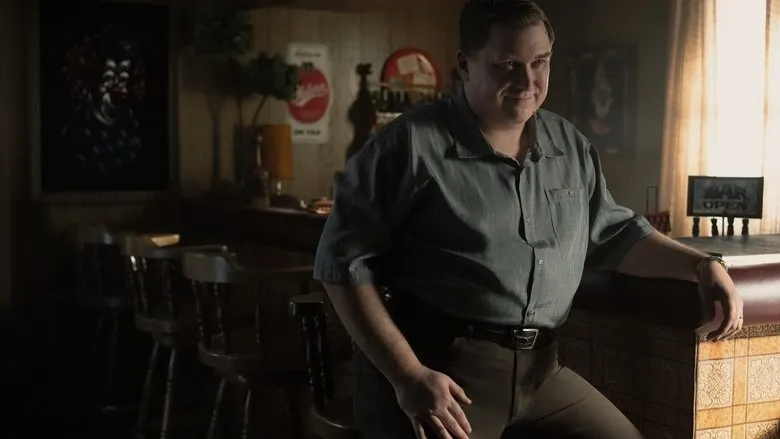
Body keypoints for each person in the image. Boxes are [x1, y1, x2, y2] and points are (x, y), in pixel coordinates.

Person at [313, 1, 744, 438]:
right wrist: (407, 376)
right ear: (464, 65)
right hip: (439, 373)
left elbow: (615, 233)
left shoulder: (569, 145)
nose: (527, 82)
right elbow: (341, 267)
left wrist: (702, 264)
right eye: (507, 65)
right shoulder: (405, 147)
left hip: (541, 374)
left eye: (540, 62)